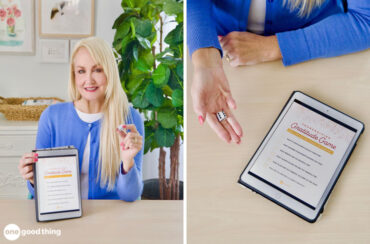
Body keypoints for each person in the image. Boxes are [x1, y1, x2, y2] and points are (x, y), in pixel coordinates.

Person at [188, 0, 370, 144]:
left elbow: (365, 20)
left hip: (316, 51)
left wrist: (272, 47)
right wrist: (205, 59)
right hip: (222, 52)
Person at [18, 37, 144, 201]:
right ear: (74, 76)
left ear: (109, 72)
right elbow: (39, 195)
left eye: (97, 70)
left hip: (110, 217)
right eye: (81, 71)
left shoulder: (130, 119)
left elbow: (131, 196)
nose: (89, 80)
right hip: (62, 214)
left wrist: (127, 162)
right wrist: (34, 179)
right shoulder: (51, 117)